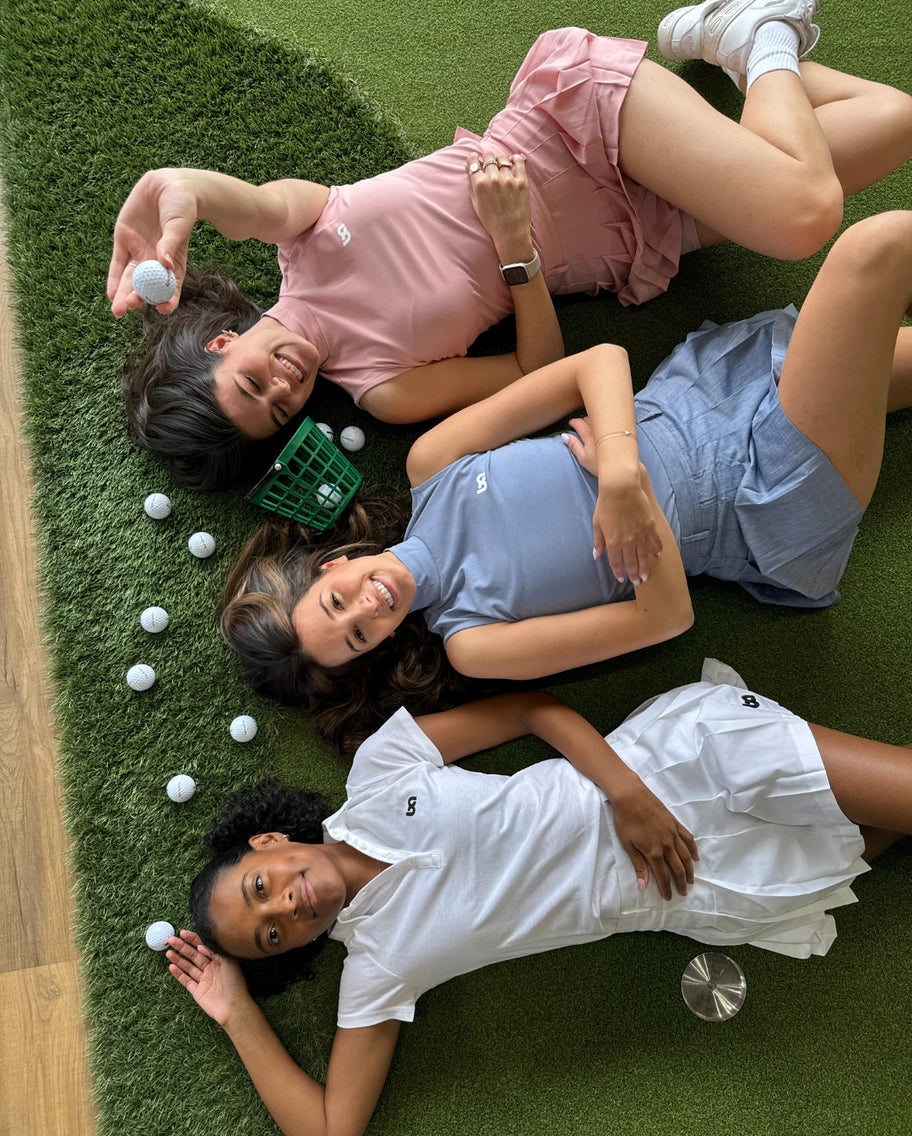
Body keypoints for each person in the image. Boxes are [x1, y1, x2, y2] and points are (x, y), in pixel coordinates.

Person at [106, 17, 912, 489]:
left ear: (223, 341)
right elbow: (538, 370)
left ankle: (760, 33)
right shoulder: (381, 391)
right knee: (894, 119)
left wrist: (179, 186)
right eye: (280, 409)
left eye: (253, 379)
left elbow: (238, 206)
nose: (286, 384)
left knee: (804, 215)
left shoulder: (303, 236)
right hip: (634, 237)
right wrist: (514, 249)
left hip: (582, 125)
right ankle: (733, 45)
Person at [218, 209, 912, 748]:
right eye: (360, 637)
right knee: (873, 252)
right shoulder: (473, 641)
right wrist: (638, 502)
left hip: (705, 394)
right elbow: (668, 617)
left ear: (335, 561)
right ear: (379, 650)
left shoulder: (431, 466)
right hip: (759, 499)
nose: (368, 608)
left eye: (337, 603)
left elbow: (599, 362)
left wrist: (615, 473)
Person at [167, 667, 912, 1136]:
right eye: (270, 937)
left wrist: (627, 795)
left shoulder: (380, 769)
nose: (283, 911)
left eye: (258, 888)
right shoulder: (378, 968)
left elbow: (531, 711)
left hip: (671, 767)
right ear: (292, 953)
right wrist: (237, 1011)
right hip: (695, 882)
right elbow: (331, 1131)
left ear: (268, 842)